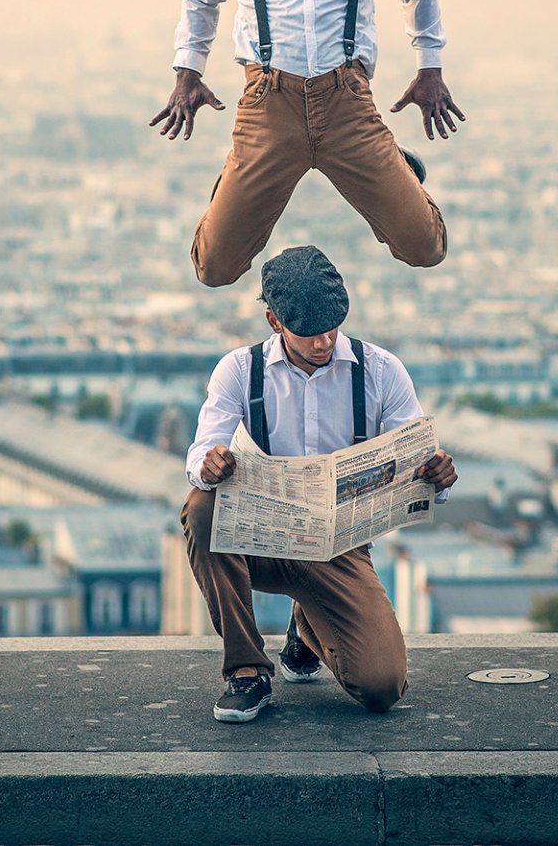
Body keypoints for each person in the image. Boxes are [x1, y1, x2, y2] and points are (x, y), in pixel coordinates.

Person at [151, 0, 466, 288]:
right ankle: (234, 181)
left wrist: (430, 68)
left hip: (347, 101)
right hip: (268, 104)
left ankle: (396, 167)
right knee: (214, 268)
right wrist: (186, 72)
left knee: (425, 247)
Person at [181, 245, 457, 723]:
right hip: (256, 540)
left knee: (381, 687)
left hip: (338, 549)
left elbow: (413, 454)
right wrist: (210, 466)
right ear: (273, 321)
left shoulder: (381, 370)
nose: (325, 342)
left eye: (333, 327)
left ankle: (306, 626)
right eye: (309, 333)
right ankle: (246, 670)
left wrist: (436, 476)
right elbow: (201, 452)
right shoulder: (239, 370)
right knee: (200, 507)